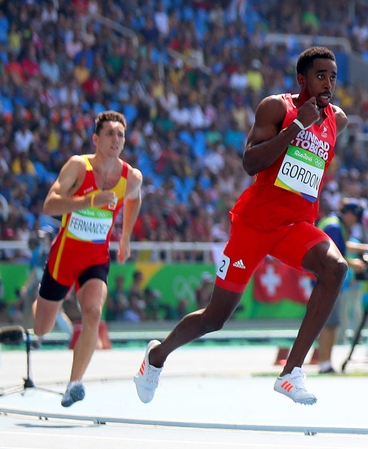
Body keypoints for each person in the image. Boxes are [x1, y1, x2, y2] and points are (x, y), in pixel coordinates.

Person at [134, 47, 349, 405]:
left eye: (333, 77)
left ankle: (291, 372)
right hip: (254, 225)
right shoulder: (276, 108)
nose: (328, 83)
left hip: (293, 225)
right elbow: (250, 163)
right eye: (320, 76)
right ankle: (157, 356)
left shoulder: (337, 120)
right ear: (302, 79)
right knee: (214, 319)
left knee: (335, 268)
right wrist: (297, 127)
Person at [32, 111, 143, 407]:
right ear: (96, 139)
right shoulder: (78, 167)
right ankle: (42, 302)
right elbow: (49, 205)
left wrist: (126, 236)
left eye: (120, 134)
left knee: (93, 311)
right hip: (64, 256)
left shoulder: (131, 177)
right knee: (42, 328)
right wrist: (89, 200)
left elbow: (135, 198)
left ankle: (74, 383)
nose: (116, 139)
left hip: (95, 257)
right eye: (110, 133)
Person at [315, 199, 368, 374]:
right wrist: (353, 264)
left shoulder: (334, 224)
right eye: (355, 219)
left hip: (324, 279)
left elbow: (342, 247)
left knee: (329, 323)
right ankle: (325, 364)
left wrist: (365, 248)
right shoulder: (334, 227)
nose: (355, 224)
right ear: (349, 214)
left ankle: (325, 362)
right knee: (329, 323)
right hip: (326, 280)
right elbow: (331, 255)